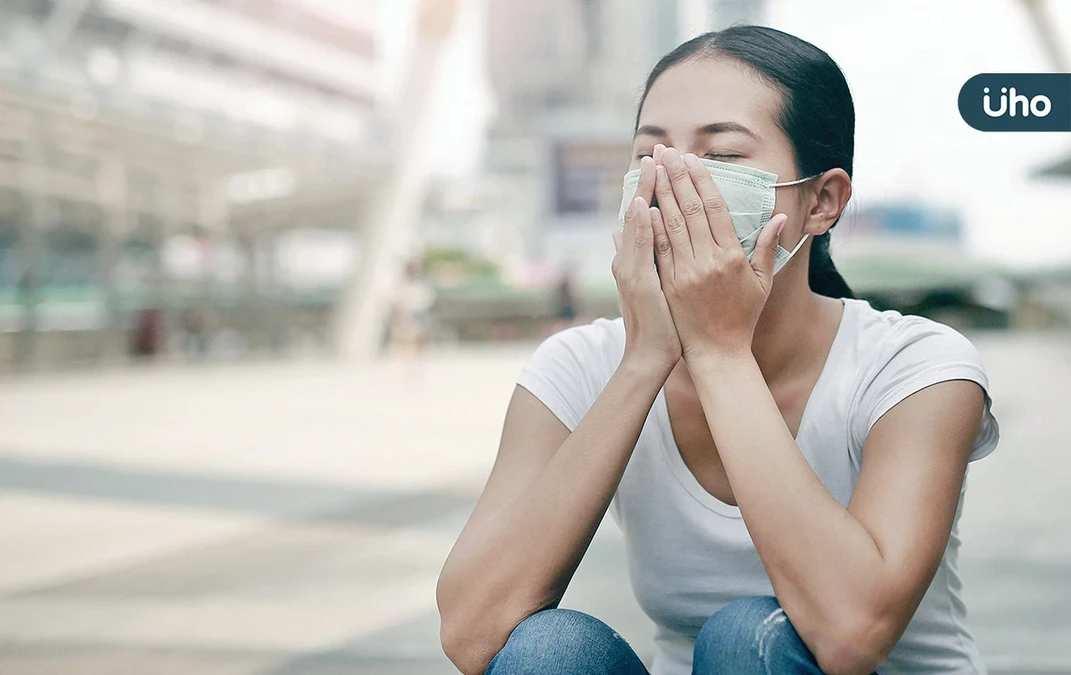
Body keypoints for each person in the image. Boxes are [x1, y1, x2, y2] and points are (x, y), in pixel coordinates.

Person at [436, 25, 999, 675]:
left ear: (822, 201)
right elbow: (473, 630)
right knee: (547, 652)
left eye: (722, 155)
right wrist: (645, 358)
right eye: (652, 153)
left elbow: (851, 637)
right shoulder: (580, 364)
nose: (674, 178)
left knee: (744, 639)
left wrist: (719, 354)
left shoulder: (915, 368)